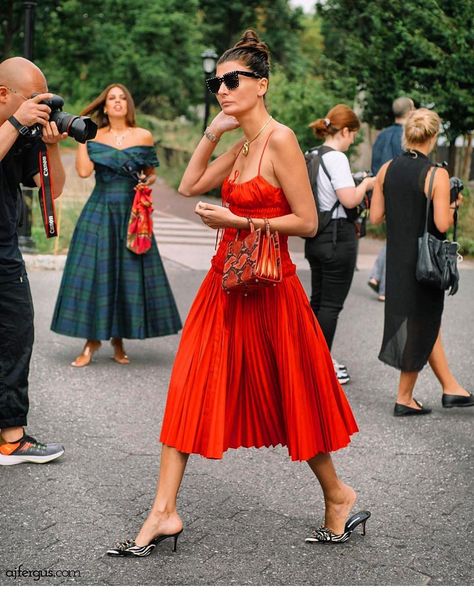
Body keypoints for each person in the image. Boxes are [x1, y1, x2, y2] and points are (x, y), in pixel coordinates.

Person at [107, 30, 369, 556]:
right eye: (216, 82)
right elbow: (187, 185)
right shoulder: (244, 142)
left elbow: (309, 221)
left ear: (262, 84)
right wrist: (213, 130)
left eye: (232, 81)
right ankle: (163, 512)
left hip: (272, 290)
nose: (222, 89)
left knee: (292, 396)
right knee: (188, 384)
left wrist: (241, 219)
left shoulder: (280, 139)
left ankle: (338, 495)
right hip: (224, 283)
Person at [50, 84, 182, 366]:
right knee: (98, 274)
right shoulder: (94, 136)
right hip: (100, 211)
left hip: (132, 214)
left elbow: (152, 174)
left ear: (128, 105)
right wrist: (81, 139)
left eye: (123, 98)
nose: (118, 102)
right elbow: (84, 172)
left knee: (127, 274)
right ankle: (92, 341)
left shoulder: (143, 136)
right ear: (105, 107)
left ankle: (118, 340)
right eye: (112, 98)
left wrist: (146, 183)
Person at [370, 108, 473, 416]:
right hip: (424, 264)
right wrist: (453, 204)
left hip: (397, 258)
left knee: (425, 324)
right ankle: (404, 398)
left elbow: (375, 216)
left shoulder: (387, 169)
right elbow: (442, 224)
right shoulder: (435, 174)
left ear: (408, 135)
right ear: (433, 136)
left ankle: (451, 388)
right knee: (423, 323)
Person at [0, 57, 66, 465]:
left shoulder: (23, 136)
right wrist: (14, 123)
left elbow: (51, 192)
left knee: (15, 336)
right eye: (34, 98)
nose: (42, 106)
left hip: (4, 249)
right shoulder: (12, 127)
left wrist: (51, 147)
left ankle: (10, 436)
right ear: (4, 94)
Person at [305, 105, 376, 385]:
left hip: (315, 236)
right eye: (353, 135)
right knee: (331, 306)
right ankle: (320, 365)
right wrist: (367, 184)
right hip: (338, 237)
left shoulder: (312, 154)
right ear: (344, 131)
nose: (352, 141)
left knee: (318, 301)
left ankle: (307, 357)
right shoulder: (336, 158)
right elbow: (349, 200)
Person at [368, 97, 415, 302]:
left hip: (380, 192)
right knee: (398, 239)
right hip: (401, 194)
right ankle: (385, 288)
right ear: (410, 110)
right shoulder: (408, 136)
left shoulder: (382, 135)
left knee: (393, 237)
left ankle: (377, 275)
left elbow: (374, 166)